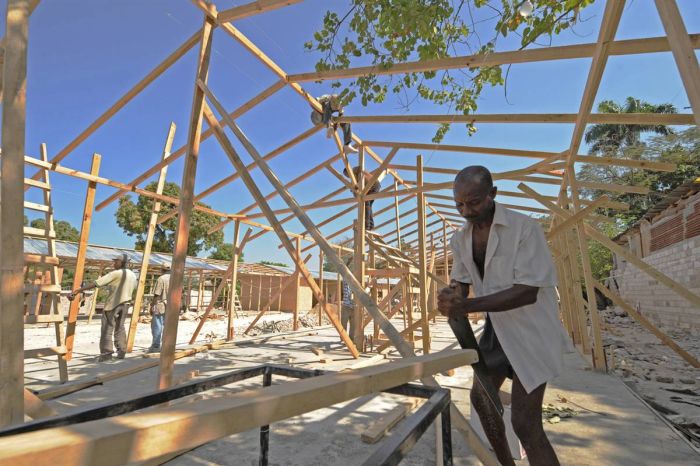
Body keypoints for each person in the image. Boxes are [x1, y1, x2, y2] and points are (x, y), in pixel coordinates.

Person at [437, 166, 566, 466]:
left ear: (493, 194)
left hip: (532, 328)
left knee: (525, 423)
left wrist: (466, 307)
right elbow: (462, 285)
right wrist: (451, 295)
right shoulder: (461, 240)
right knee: (482, 400)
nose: (466, 210)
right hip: (499, 329)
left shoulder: (524, 229)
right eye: (459, 205)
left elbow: (527, 292)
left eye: (475, 201)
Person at [69, 253, 137, 361]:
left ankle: (106, 354)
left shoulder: (116, 273)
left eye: (116, 261)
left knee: (107, 329)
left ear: (121, 262)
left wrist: (78, 290)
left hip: (113, 304)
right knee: (120, 328)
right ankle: (121, 351)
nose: (114, 263)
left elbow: (97, 283)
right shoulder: (133, 275)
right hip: (126, 304)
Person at [343, 166, 386, 230]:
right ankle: (370, 225)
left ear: (348, 171)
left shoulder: (355, 170)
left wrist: (355, 187)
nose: (347, 176)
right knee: (368, 205)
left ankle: (367, 225)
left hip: (373, 185)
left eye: (346, 175)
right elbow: (356, 191)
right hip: (374, 186)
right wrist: (354, 189)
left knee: (366, 204)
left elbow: (360, 168)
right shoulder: (355, 177)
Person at [148, 264, 171, 353]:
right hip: (171, 306)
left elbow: (157, 294)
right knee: (168, 326)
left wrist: (152, 305)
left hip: (160, 305)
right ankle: (167, 345)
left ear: (162, 269)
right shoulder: (175, 278)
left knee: (157, 325)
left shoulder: (161, 278)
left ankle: (156, 345)